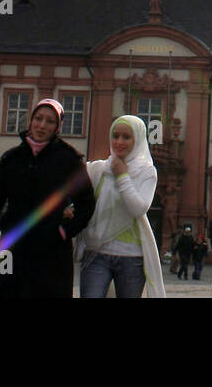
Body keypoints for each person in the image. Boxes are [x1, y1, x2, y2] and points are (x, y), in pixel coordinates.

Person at [0, 99, 95, 298]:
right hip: (12, 246)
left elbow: (87, 204)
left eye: (49, 121)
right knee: (2, 292)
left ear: (57, 127)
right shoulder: (12, 159)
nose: (42, 125)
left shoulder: (69, 160)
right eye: (38, 119)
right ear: (30, 121)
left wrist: (65, 231)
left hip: (51, 250)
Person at [76, 115, 165, 299]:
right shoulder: (98, 169)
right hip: (96, 252)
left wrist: (123, 177)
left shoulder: (147, 171)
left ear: (138, 139)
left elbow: (138, 209)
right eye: (115, 136)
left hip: (131, 257)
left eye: (126, 137)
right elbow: (76, 194)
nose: (119, 142)